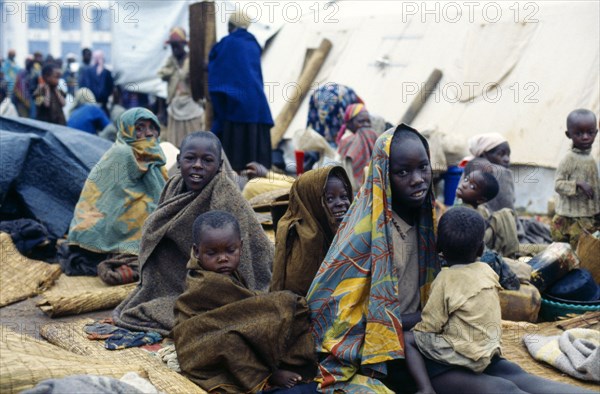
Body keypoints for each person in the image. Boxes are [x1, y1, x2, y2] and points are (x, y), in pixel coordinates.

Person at [307, 124, 590, 393]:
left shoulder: (425, 221)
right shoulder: (364, 235)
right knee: (502, 389)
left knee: (514, 374)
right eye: (403, 172)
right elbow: (326, 303)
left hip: (431, 337)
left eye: (423, 168)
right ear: (382, 175)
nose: (417, 179)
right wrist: (415, 319)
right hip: (386, 352)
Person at [113, 131, 273, 336]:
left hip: (222, 271)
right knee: (145, 305)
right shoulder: (173, 185)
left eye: (207, 160)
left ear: (219, 165)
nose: (198, 165)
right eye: (190, 158)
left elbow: (244, 254)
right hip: (185, 266)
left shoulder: (226, 196)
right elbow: (160, 227)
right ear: (179, 161)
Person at [173, 210, 316, 392]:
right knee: (229, 340)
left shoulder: (229, 274)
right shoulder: (205, 281)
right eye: (212, 253)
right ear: (196, 252)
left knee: (274, 313)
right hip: (200, 347)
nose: (223, 258)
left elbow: (241, 308)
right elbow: (240, 311)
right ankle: (265, 377)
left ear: (240, 247)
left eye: (230, 250)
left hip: (221, 329)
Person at [404, 207, 501, 394]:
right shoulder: (487, 270)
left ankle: (425, 388)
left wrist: (405, 326)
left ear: (438, 247)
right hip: (489, 350)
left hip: (465, 355)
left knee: (406, 340)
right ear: (481, 248)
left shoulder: (444, 280)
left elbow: (430, 325)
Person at [60, 108, 167, 276]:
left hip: (122, 213)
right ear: (127, 130)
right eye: (139, 128)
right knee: (148, 212)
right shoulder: (123, 152)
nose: (148, 133)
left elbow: (159, 191)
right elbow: (114, 199)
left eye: (152, 127)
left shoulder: (153, 153)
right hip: (105, 222)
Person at [208, 8, 274, 172]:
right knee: (255, 163)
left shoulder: (228, 43)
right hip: (258, 106)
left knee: (235, 163)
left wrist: (208, 66)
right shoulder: (254, 44)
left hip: (237, 107)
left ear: (231, 25)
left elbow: (220, 70)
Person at [270, 166, 352, 296]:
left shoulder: (350, 232)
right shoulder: (306, 244)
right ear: (312, 203)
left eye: (344, 196)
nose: (341, 203)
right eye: (330, 198)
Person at [551, 109, 600, 249]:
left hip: (589, 216)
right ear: (569, 134)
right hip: (571, 218)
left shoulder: (591, 159)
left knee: (589, 251)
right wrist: (577, 184)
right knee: (574, 251)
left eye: (590, 133)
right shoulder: (569, 159)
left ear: (596, 133)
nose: (585, 137)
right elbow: (558, 185)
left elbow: (595, 187)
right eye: (578, 133)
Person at [158, 27, 204, 148]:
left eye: (177, 45)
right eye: (172, 46)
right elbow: (161, 74)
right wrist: (172, 71)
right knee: (174, 143)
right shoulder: (171, 61)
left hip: (191, 106)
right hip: (174, 106)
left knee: (194, 141)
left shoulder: (191, 60)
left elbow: (199, 79)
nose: (174, 49)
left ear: (183, 45)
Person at [465, 132, 514, 212]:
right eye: (500, 154)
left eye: (508, 155)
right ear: (483, 155)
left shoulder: (469, 166)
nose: (507, 159)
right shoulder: (502, 173)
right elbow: (508, 209)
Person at [336, 103, 379, 192]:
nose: (366, 125)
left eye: (368, 121)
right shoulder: (346, 141)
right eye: (361, 121)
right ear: (349, 123)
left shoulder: (368, 136)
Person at [78, 50, 113, 114]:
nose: (97, 60)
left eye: (99, 58)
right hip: (90, 106)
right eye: (95, 58)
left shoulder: (107, 72)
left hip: (103, 105)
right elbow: (84, 86)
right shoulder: (87, 71)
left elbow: (110, 88)